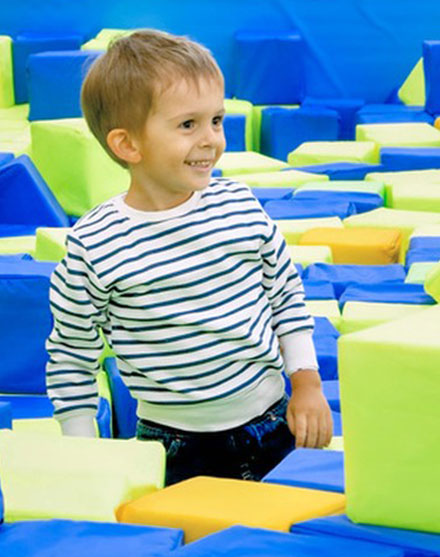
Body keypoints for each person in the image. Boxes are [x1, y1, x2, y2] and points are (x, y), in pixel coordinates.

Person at [46, 29, 332, 486]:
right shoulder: (94, 244)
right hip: (174, 445)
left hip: (272, 422)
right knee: (191, 552)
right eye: (188, 125)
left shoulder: (239, 204)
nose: (212, 140)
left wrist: (307, 384)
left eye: (216, 120)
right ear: (128, 146)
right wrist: (85, 456)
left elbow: (285, 296)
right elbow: (71, 356)